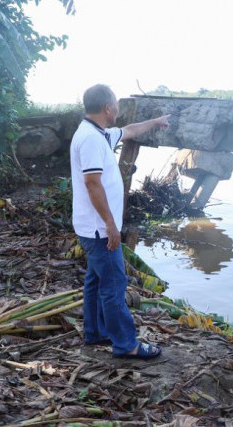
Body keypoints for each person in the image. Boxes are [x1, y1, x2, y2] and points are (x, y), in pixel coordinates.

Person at [70, 84, 170, 359]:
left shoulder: (100, 133)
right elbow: (92, 184)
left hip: (92, 227)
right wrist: (111, 225)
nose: (118, 109)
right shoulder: (90, 139)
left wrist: (156, 122)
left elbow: (130, 131)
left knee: (95, 281)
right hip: (99, 229)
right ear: (107, 108)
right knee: (114, 285)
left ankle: (95, 332)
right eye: (116, 104)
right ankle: (127, 344)